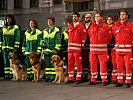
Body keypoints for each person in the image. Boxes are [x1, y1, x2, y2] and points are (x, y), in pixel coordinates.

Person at [88, 11, 112, 86]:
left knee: (103, 65)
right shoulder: (91, 26)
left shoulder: (105, 26)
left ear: (101, 17)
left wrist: (103, 42)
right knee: (93, 65)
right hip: (93, 51)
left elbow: (109, 38)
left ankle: (104, 79)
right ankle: (93, 79)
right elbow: (89, 36)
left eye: (98, 16)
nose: (96, 18)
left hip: (102, 50)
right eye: (95, 17)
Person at [113, 9, 133, 88]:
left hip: (127, 50)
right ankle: (120, 81)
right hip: (118, 51)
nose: (122, 16)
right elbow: (115, 36)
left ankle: (128, 81)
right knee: (119, 66)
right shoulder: (116, 25)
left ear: (126, 16)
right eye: (121, 14)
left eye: (124, 14)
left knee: (128, 66)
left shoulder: (130, 25)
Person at [67, 12, 86, 84]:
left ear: (78, 17)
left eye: (75, 16)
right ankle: (71, 77)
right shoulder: (70, 26)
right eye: (73, 17)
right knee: (70, 63)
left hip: (77, 49)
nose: (74, 18)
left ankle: (78, 77)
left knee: (78, 63)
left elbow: (84, 37)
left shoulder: (81, 26)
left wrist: (82, 46)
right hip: (70, 49)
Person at [0, 14, 20, 79]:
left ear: (12, 19)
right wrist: (0, 47)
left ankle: (12, 75)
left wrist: (15, 47)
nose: (8, 20)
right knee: (6, 62)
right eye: (7, 19)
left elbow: (17, 38)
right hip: (5, 48)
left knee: (12, 62)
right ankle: (7, 74)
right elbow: (1, 38)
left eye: (9, 19)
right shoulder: (4, 28)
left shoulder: (15, 27)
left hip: (12, 48)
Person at [41, 17, 61, 82]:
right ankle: (48, 76)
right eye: (48, 21)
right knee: (47, 65)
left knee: (53, 65)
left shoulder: (56, 30)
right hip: (46, 51)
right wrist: (42, 44)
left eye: (50, 21)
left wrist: (56, 49)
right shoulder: (45, 31)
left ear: (53, 22)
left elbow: (58, 41)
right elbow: (42, 40)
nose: (49, 22)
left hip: (52, 51)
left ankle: (53, 77)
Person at [82, 13, 92, 82]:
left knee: (91, 62)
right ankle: (85, 76)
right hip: (83, 47)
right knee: (84, 62)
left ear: (90, 18)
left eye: (88, 17)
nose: (86, 19)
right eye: (85, 17)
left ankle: (92, 76)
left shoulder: (93, 25)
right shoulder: (82, 25)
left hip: (91, 46)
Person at [106, 16, 117, 84]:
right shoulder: (105, 27)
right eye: (108, 19)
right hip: (106, 48)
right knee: (107, 63)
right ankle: (108, 77)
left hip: (113, 48)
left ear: (113, 20)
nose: (109, 21)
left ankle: (114, 78)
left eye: (110, 19)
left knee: (114, 63)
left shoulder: (115, 27)